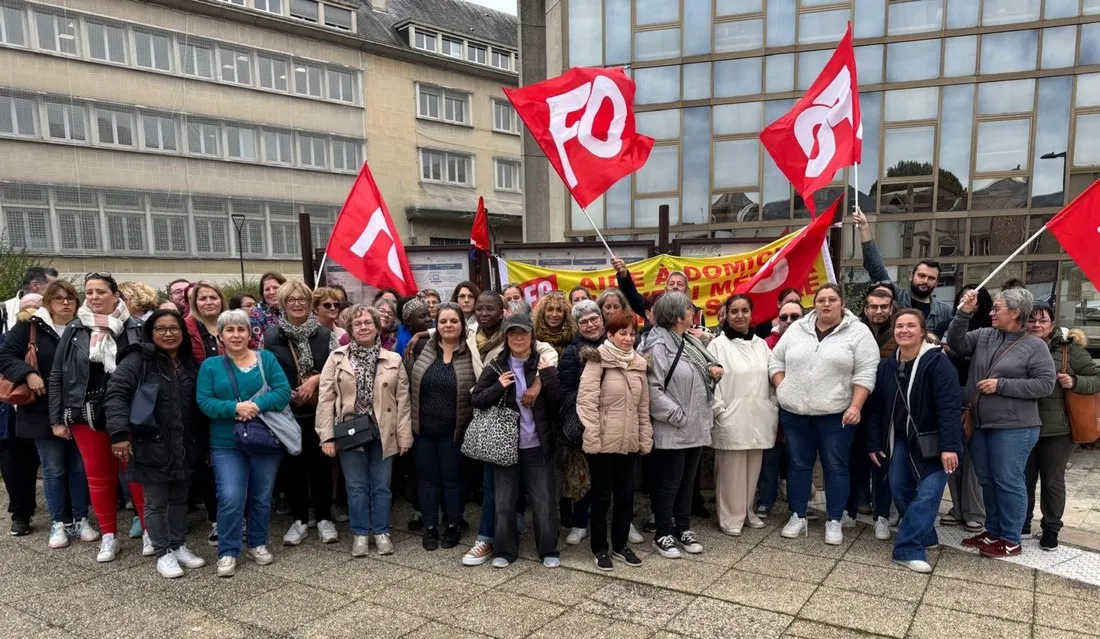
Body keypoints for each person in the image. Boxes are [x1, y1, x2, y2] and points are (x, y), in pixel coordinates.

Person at [948, 287, 1056, 557]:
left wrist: (1002, 385)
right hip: (981, 423)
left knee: (1008, 481)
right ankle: (993, 531)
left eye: (997, 309)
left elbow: (1045, 384)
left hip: (1014, 427)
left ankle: (1010, 538)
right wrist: (963, 313)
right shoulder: (984, 335)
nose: (991, 313)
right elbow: (956, 343)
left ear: (1016, 313)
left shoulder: (1035, 346)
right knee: (987, 480)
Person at [768, 284, 879, 545]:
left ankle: (835, 520)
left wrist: (855, 406)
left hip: (835, 414)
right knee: (797, 465)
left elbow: (866, 372)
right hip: (795, 413)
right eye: (821, 300)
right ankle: (797, 515)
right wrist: (782, 387)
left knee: (836, 466)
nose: (826, 304)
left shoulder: (858, 332)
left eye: (832, 300)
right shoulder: (797, 328)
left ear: (842, 303)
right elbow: (776, 360)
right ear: (814, 304)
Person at [49, 272, 146, 563]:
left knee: (137, 475)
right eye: (89, 292)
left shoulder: (136, 327)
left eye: (101, 291)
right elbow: (58, 374)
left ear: (116, 295)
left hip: (130, 412)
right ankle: (108, 536)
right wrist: (56, 419)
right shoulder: (75, 329)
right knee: (98, 476)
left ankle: (150, 531)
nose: (94, 297)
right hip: (85, 413)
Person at [105, 310, 207, 578]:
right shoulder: (138, 360)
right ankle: (162, 552)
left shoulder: (190, 363)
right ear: (150, 332)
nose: (168, 334)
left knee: (180, 499)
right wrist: (119, 433)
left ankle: (178, 544)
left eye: (174, 328)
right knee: (156, 501)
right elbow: (116, 395)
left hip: (184, 442)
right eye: (161, 329)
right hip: (150, 441)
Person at [866, 310, 963, 573]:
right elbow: (876, 409)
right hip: (900, 439)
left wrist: (950, 447)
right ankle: (926, 535)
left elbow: (949, 407)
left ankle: (907, 548)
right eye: (899, 326)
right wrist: (874, 442)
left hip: (935, 441)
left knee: (929, 494)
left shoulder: (938, 363)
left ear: (922, 331)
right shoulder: (887, 366)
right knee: (899, 489)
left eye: (911, 325)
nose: (904, 330)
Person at [197, 309, 291, 577]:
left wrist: (255, 406)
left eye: (241, 329)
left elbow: (283, 392)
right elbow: (204, 402)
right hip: (227, 442)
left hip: (264, 438)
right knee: (230, 496)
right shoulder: (210, 366)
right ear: (220, 336)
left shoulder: (266, 359)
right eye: (230, 330)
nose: (236, 335)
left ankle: (257, 543)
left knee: (261, 495)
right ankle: (228, 550)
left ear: (250, 333)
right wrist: (235, 408)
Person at [316, 304, 412, 557]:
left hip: (383, 431)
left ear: (377, 327)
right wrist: (327, 436)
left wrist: (404, 436)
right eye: (357, 324)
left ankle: (381, 531)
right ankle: (360, 533)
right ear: (350, 329)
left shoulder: (393, 359)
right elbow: (326, 399)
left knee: (381, 486)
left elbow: (403, 401)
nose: (363, 327)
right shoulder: (337, 358)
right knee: (356, 486)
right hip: (350, 431)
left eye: (368, 322)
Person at [0, 280, 90, 544]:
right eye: (59, 298)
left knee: (79, 467)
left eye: (70, 298)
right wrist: (28, 373)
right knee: (53, 468)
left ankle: (81, 518)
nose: (65, 302)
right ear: (48, 301)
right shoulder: (30, 326)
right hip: (41, 409)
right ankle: (58, 522)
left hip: (79, 409)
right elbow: (5, 356)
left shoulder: (84, 327)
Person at [470, 314, 563, 569]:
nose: (518, 338)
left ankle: (549, 549)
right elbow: (476, 399)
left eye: (523, 333)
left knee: (543, 502)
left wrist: (548, 377)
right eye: (513, 333)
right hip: (506, 446)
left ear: (532, 336)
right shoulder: (497, 365)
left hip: (537, 446)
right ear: (506, 337)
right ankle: (505, 551)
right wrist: (498, 387)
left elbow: (557, 403)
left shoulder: (543, 362)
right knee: (504, 502)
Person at [640, 292, 722, 559]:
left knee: (687, 483)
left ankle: (683, 528)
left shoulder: (689, 341)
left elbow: (704, 367)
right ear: (677, 316)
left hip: (694, 425)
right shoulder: (658, 346)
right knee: (669, 484)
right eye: (689, 309)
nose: (693, 312)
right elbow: (652, 389)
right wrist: (678, 416)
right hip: (674, 426)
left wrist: (713, 370)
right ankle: (663, 533)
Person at [263, 281, 339, 546]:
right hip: (286, 413)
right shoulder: (270, 337)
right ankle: (299, 519)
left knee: (321, 466)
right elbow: (264, 372)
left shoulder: (325, 334)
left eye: (302, 299)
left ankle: (324, 517)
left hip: (319, 411)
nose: (297, 304)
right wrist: (287, 392)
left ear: (309, 303)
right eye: (291, 300)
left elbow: (336, 368)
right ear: (283, 304)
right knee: (293, 468)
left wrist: (315, 380)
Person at [576, 311, 651, 570]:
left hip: (629, 443)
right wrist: (592, 438)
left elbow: (643, 407)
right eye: (622, 333)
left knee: (626, 496)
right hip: (604, 443)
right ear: (610, 334)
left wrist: (644, 438)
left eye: (632, 333)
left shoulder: (639, 363)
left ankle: (620, 545)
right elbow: (586, 402)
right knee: (601, 497)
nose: (628, 338)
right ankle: (599, 548)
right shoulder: (598, 360)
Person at [1024, 303, 1099, 550]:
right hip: (1022, 425)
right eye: (1031, 320)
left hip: (1058, 431)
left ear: (1052, 324)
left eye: (1042, 320)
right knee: (1023, 479)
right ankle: (1022, 523)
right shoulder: (1019, 345)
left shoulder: (1069, 350)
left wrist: (1075, 381)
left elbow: (1097, 378)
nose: (1036, 325)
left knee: (1052, 481)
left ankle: (1051, 529)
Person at [707, 295, 778, 537]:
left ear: (751, 313)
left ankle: (746, 511)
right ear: (726, 315)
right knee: (731, 472)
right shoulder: (718, 345)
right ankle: (730, 517)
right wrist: (720, 411)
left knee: (752, 469)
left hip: (758, 416)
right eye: (734, 311)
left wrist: (772, 405)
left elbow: (771, 377)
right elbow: (711, 382)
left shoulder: (761, 345)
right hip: (731, 416)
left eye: (744, 310)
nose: (740, 316)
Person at [406, 302, 474, 551]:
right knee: (427, 480)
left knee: (453, 480)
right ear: (437, 325)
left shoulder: (471, 351)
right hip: (424, 430)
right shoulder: (423, 348)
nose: (448, 325)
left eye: (454, 321)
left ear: (462, 325)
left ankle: (454, 524)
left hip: (454, 431)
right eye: (443, 321)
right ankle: (430, 526)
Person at [846, 286, 899, 538]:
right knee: (853, 461)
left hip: (887, 409)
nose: (878, 311)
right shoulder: (854, 332)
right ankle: (850, 510)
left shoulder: (899, 332)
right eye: (873, 306)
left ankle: (882, 516)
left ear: (891, 308)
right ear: (865, 309)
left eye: (883, 307)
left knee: (881, 462)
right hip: (856, 404)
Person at [941, 284, 992, 533]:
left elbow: (968, 354)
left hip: (974, 396)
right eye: (963, 298)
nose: (968, 302)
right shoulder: (952, 324)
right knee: (952, 452)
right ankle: (958, 508)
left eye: (973, 299)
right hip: (950, 394)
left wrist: (958, 355)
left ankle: (975, 511)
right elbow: (952, 342)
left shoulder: (989, 331)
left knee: (972, 459)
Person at [854, 210, 952, 336]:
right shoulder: (897, 297)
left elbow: (952, 340)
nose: (925, 281)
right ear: (911, 276)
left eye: (931, 278)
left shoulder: (944, 312)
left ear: (937, 282)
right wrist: (864, 228)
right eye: (921, 275)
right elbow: (875, 267)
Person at [3, 267, 58, 331]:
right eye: (53, 287)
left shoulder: (57, 311)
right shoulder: (5, 309)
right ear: (35, 286)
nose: (57, 291)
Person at [184, 280, 226, 362]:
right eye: (202, 299)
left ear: (221, 300)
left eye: (213, 298)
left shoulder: (235, 322)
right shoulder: (185, 328)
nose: (209, 302)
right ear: (195, 303)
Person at [249, 272, 286, 348]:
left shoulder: (295, 309)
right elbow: (257, 346)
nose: (271, 292)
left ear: (285, 288)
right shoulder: (256, 316)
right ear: (262, 293)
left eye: (275, 288)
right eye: (267, 289)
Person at [532, 292, 574, 356]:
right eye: (550, 309)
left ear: (566, 314)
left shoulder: (573, 336)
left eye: (559, 310)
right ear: (542, 313)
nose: (554, 314)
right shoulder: (533, 336)